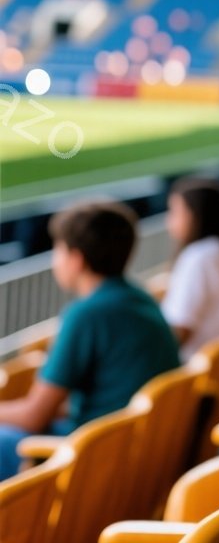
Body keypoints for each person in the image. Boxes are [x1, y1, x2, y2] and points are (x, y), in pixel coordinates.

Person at [0, 203, 179, 478]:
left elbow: (33, 416)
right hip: (131, 446)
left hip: (97, 457)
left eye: (58, 249)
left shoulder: (86, 315)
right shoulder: (140, 298)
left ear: (76, 259)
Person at [162, 179, 219, 358]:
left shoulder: (198, 257)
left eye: (175, 212)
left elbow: (181, 329)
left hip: (202, 368)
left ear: (195, 215)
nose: (169, 220)